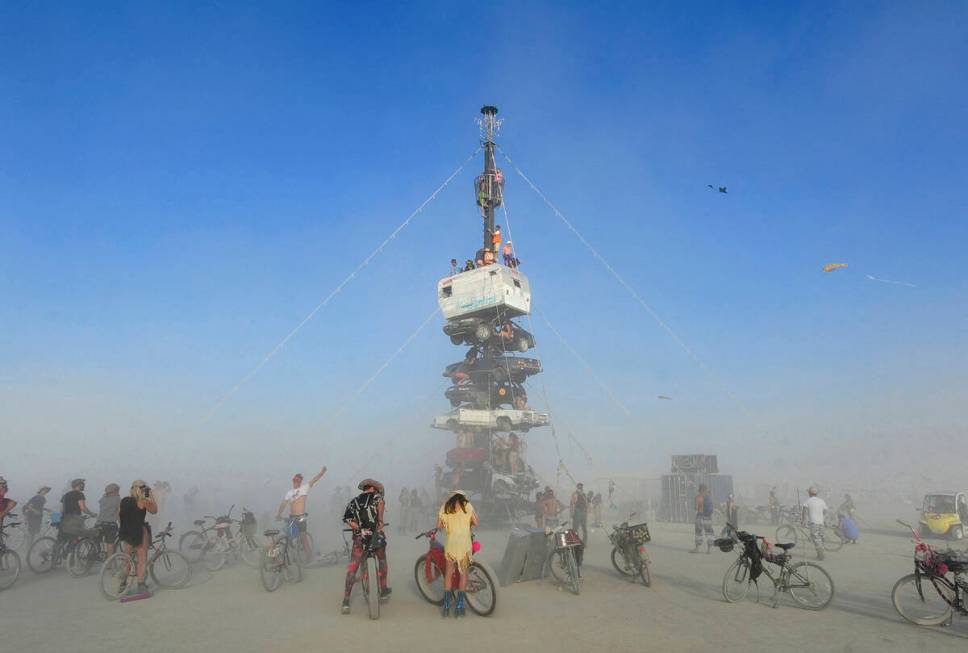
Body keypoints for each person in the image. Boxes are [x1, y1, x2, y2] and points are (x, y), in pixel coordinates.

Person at [341, 479, 390, 614]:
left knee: (353, 567)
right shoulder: (376, 497)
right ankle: (384, 588)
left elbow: (348, 519)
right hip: (376, 536)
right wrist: (380, 520)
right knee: (382, 559)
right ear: (373, 488)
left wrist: (359, 528)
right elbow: (381, 502)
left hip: (360, 537)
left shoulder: (354, 502)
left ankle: (345, 601)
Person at [437, 490, 480, 618]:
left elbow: (439, 525)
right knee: (463, 574)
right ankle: (460, 605)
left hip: (451, 544)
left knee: (449, 574)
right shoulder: (467, 505)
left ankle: (445, 606)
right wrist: (467, 523)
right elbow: (476, 522)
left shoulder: (445, 507)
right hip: (464, 544)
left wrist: (448, 524)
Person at [276, 467, 327, 560]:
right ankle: (291, 554)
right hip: (292, 517)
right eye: (294, 481)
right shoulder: (289, 492)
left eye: (298, 481)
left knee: (303, 537)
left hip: (301, 517)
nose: (296, 482)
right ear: (293, 481)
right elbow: (283, 504)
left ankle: (309, 557)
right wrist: (278, 514)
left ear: (300, 482)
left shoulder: (304, 488)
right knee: (289, 536)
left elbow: (314, 480)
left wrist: (321, 473)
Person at [118, 480, 158, 595]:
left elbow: (119, 517)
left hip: (126, 532)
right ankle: (141, 585)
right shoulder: (143, 501)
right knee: (142, 559)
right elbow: (155, 510)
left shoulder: (124, 501)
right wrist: (151, 496)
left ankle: (122, 584)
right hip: (140, 531)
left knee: (127, 559)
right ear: (142, 489)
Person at [801, 487, 828, 560]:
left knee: (815, 538)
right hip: (821, 522)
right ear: (816, 493)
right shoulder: (821, 501)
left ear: (809, 493)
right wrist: (821, 517)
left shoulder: (808, 501)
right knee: (821, 537)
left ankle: (820, 555)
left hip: (814, 522)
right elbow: (825, 511)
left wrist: (803, 521)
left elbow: (804, 512)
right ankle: (821, 552)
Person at [96, 483, 122, 557]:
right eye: (118, 490)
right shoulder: (117, 499)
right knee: (110, 543)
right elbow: (118, 514)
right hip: (110, 525)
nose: (119, 492)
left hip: (99, 523)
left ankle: (98, 554)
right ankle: (109, 563)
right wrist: (122, 524)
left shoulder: (103, 499)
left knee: (98, 540)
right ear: (115, 491)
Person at [691, 484, 714, 554]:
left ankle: (697, 549)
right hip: (708, 517)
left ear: (699, 490)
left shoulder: (698, 497)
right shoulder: (709, 497)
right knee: (709, 533)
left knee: (698, 533)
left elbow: (696, 508)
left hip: (700, 516)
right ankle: (709, 550)